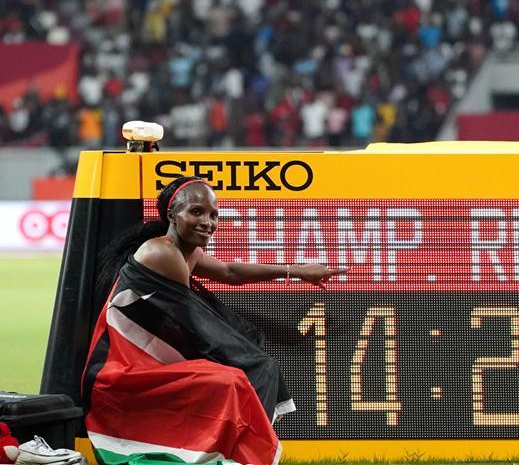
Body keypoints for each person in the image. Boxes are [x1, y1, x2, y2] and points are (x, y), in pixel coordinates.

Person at [83, 176, 345, 465]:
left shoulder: (187, 251)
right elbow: (194, 323)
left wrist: (296, 271)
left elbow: (230, 273)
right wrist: (249, 356)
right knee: (239, 375)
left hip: (148, 364)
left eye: (213, 215)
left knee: (244, 373)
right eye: (196, 212)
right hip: (122, 371)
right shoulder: (162, 252)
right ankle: (236, 455)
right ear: (172, 214)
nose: (207, 222)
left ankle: (238, 453)